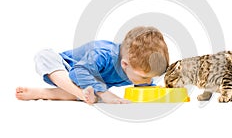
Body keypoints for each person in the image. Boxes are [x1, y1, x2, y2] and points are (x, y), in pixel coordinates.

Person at [15, 26, 169, 104]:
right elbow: (76, 73)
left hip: (87, 86)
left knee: (88, 92)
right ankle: (83, 94)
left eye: (151, 78)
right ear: (124, 64)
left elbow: (147, 87)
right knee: (44, 55)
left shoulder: (138, 69)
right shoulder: (103, 54)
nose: (148, 81)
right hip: (69, 68)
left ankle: (44, 93)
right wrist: (103, 93)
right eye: (144, 77)